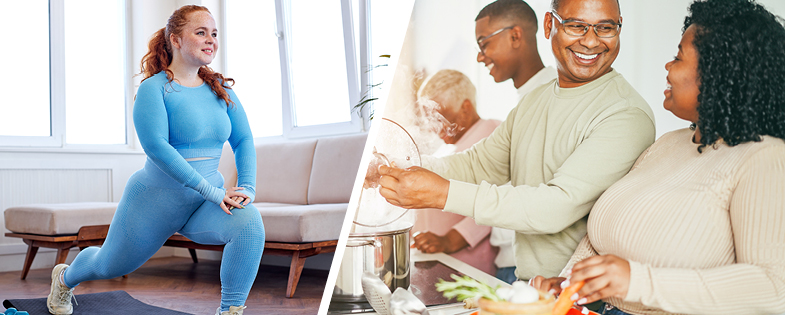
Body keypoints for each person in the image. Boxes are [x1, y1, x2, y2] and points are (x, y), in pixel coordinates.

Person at [529, 0, 785, 314]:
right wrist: (568, 284)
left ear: (719, 73)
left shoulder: (764, 158)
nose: (667, 67)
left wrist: (637, 282)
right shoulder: (668, 144)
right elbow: (600, 240)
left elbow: (774, 288)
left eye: (678, 57)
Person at [377, 0, 656, 283]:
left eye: (605, 28)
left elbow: (555, 206)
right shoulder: (534, 101)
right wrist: (392, 165)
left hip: (582, 299)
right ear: (550, 25)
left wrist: (442, 194)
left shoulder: (626, 114)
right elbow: (478, 165)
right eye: (576, 26)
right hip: (530, 289)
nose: (591, 41)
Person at [46, 6, 263, 315]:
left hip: (202, 203)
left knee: (249, 223)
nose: (210, 40)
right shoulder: (154, 89)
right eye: (201, 32)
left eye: (214, 34)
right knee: (108, 265)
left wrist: (248, 187)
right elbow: (158, 149)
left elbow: (243, 140)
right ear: (175, 39)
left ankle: (230, 311)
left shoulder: (221, 90)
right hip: (155, 202)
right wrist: (213, 192)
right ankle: (66, 278)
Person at [474, 0, 559, 283]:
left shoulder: (554, 101)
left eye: (484, 43)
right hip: (513, 264)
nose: (480, 56)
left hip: (536, 273)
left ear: (515, 35)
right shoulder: (525, 103)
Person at [410, 69, 502, 276]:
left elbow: (498, 199)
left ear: (465, 108)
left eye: (439, 117)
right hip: (438, 262)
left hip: (469, 266)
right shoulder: (446, 147)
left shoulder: (493, 136)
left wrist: (449, 240)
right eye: (428, 119)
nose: (434, 128)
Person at [475, 0, 558, 101]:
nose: (479, 58)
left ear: (515, 37)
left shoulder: (554, 95)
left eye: (484, 45)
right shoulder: (531, 95)